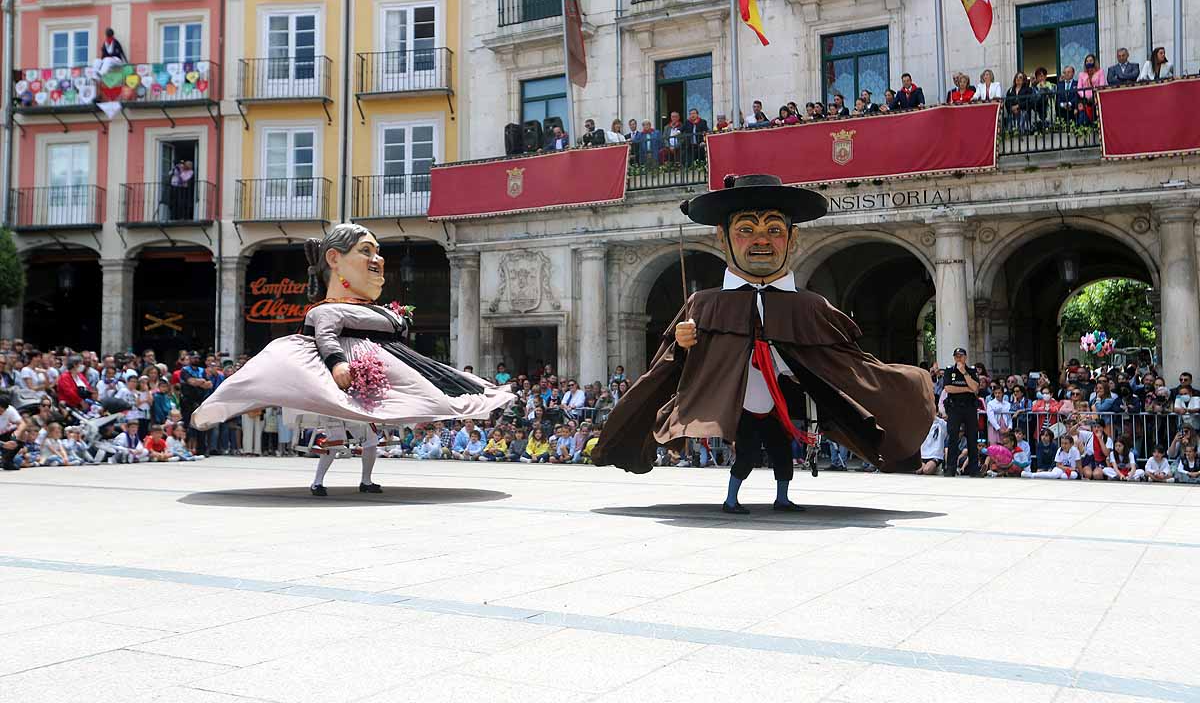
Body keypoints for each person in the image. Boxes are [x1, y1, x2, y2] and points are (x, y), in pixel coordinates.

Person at [592, 174, 935, 513]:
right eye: (746, 230)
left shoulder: (812, 306)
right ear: (723, 238)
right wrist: (682, 343)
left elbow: (847, 364)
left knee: (782, 455)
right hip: (740, 407)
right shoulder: (704, 303)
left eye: (774, 230)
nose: (761, 240)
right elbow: (666, 370)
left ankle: (782, 496)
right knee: (748, 456)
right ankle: (732, 498)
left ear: (792, 238)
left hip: (777, 407)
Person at [190, 223, 514, 495]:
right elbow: (326, 336)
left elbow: (398, 341)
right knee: (334, 441)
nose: (378, 259)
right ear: (334, 258)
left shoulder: (380, 311)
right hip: (344, 383)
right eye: (366, 251)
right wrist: (337, 364)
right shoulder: (326, 309)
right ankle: (318, 482)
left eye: (377, 251)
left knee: (373, 436)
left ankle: (366, 479)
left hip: (378, 379)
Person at [942, 347, 980, 477]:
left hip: (969, 408)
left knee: (972, 438)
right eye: (956, 356)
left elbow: (975, 388)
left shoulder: (971, 371)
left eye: (961, 356)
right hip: (954, 408)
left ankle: (974, 469)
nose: (958, 358)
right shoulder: (949, 370)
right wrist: (966, 389)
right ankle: (951, 468)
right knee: (953, 437)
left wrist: (964, 372)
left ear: (965, 357)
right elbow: (948, 388)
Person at [1076, 54, 1106, 125]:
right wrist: (1085, 97)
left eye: (1090, 61)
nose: (1089, 62)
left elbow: (1102, 85)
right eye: (1087, 61)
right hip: (1085, 100)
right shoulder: (1081, 74)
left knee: (1096, 118)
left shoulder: (1100, 72)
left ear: (1094, 62)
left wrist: (1094, 96)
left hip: (1096, 98)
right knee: (1083, 119)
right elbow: (1079, 88)